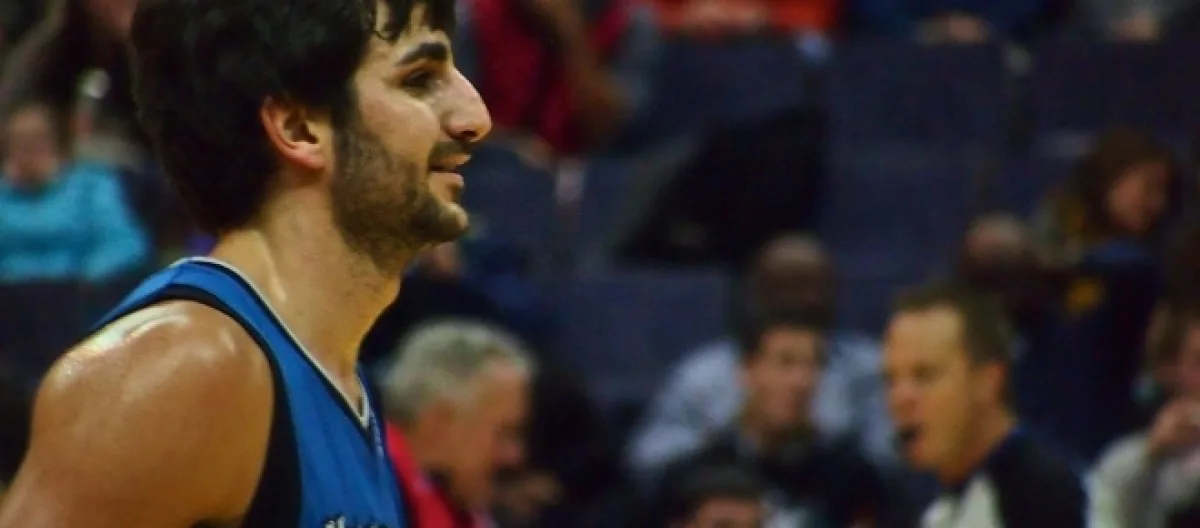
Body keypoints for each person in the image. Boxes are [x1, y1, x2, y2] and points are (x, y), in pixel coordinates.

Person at [0, 0, 492, 525]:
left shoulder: (334, 371)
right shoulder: (184, 369)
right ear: (299, 128)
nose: (476, 118)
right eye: (419, 79)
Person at [651, 310, 884, 527]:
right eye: (785, 362)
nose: (802, 381)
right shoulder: (694, 476)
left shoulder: (851, 478)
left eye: (814, 364)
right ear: (747, 370)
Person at [883, 282, 1086, 527]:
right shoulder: (915, 499)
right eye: (890, 380)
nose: (900, 398)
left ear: (988, 382)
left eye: (925, 375)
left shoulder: (1047, 495)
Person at [379, 319, 534, 528]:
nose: (513, 456)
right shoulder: (361, 497)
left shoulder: (461, 507)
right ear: (438, 424)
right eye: (502, 433)